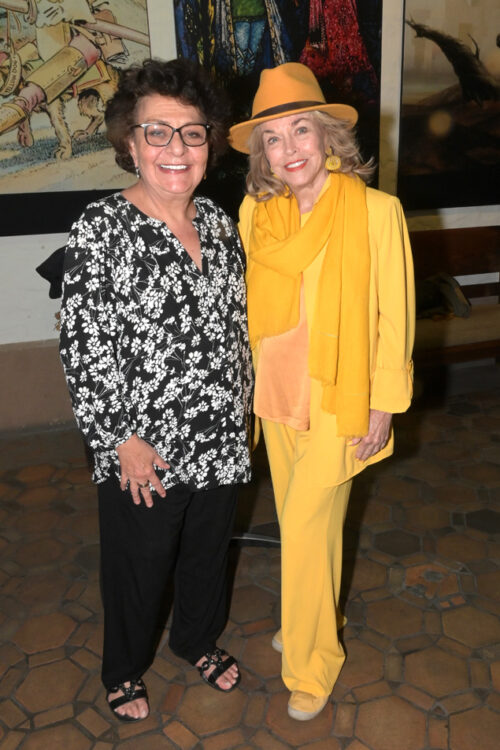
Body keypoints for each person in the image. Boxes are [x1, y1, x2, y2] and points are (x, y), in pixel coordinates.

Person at [59, 58, 253, 722]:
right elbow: (84, 349)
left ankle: (197, 638)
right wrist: (122, 442)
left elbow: (237, 331)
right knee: (139, 563)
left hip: (222, 435)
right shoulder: (100, 228)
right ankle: (124, 667)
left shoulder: (223, 229)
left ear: (210, 143)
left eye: (192, 133)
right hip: (147, 447)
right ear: (131, 143)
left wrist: (245, 409)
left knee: (206, 553)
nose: (176, 149)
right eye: (157, 132)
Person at [229, 62, 415, 721]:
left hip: (342, 399)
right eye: (273, 139)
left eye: (301, 130)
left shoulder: (375, 211)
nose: (290, 149)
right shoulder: (257, 214)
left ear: (329, 136)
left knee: (305, 530)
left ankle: (312, 662)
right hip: (275, 399)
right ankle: (308, 614)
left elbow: (395, 316)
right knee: (313, 527)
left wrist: (384, 405)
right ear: (262, 154)